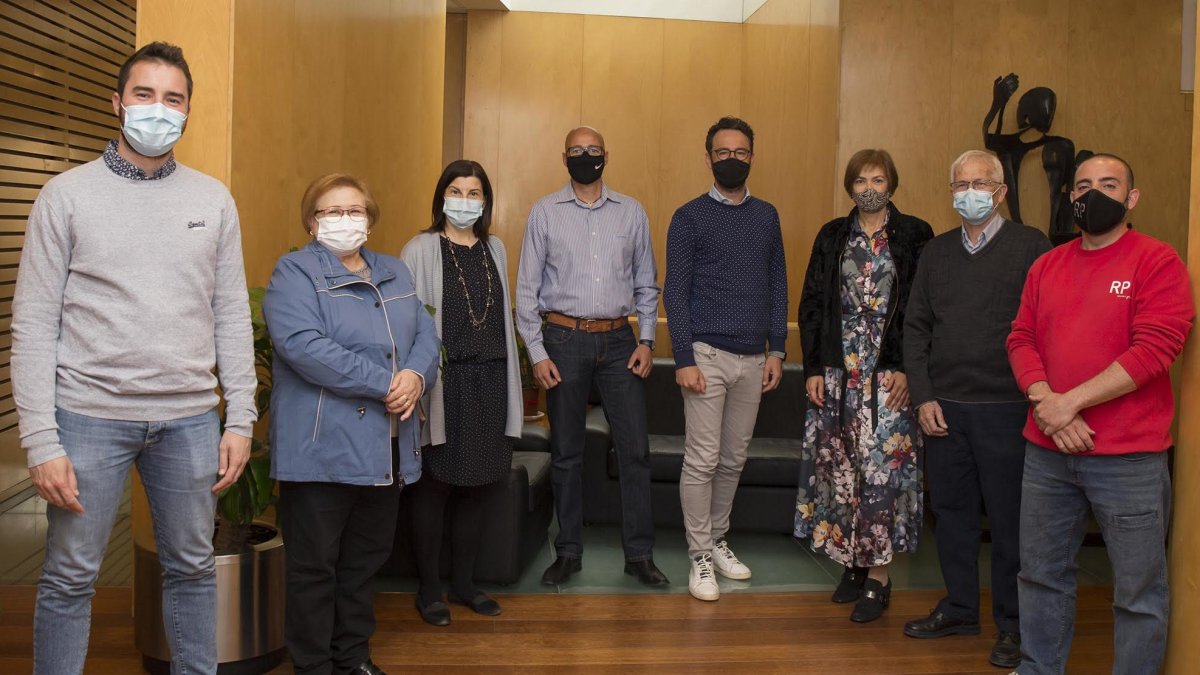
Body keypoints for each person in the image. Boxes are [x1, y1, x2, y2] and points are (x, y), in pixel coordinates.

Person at [11, 42, 256, 675]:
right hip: (88, 416)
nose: (157, 110)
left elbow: (230, 313)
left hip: (190, 420)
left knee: (193, 569)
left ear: (188, 111)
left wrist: (240, 419)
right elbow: (34, 323)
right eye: (144, 95)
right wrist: (41, 440)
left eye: (172, 99)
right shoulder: (64, 196)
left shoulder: (213, 199)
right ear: (117, 103)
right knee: (69, 576)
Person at [1006, 154, 1193, 675]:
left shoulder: (1157, 261)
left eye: (1109, 185)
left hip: (1129, 460)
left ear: (1131, 198)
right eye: (1083, 186)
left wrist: (1071, 402)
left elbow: (1155, 349)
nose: (1094, 194)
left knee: (1138, 593)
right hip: (1046, 453)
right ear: (1071, 199)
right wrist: (1050, 405)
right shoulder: (1048, 263)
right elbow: (1021, 338)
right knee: (1041, 576)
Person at [264, 174, 440, 675]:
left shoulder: (395, 271)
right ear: (311, 221)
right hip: (322, 450)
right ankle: (314, 666)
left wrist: (415, 375)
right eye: (331, 211)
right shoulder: (294, 272)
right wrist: (388, 382)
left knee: (364, 562)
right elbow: (303, 346)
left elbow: (427, 334)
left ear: (370, 216)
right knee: (314, 568)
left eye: (354, 209)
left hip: (386, 449)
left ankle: (353, 657)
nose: (345, 220)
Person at [902, 150, 1051, 669]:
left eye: (980, 183)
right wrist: (923, 397)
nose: (970, 192)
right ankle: (961, 608)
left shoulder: (1032, 247)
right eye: (960, 183)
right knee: (953, 517)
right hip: (944, 411)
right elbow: (916, 327)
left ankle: (1013, 626)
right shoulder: (936, 253)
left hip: (1008, 410)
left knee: (1011, 525)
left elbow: (1044, 327)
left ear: (1002, 190)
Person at [515, 126, 668, 587]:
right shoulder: (544, 212)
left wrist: (646, 341)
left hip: (622, 342)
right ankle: (568, 552)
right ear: (564, 157)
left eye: (594, 150)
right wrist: (537, 352)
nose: (586, 156)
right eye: (577, 151)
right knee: (566, 453)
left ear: (607, 155)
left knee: (636, 451)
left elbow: (647, 283)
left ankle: (639, 555)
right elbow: (526, 291)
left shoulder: (632, 213)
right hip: (563, 340)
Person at [794, 148, 933, 623]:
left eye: (878, 179)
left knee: (881, 473)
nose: (869, 187)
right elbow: (811, 303)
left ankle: (879, 577)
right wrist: (813, 367)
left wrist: (910, 368)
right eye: (860, 180)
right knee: (841, 470)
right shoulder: (833, 235)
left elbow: (923, 307)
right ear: (849, 186)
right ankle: (852, 565)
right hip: (837, 369)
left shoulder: (915, 235)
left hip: (890, 372)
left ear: (892, 183)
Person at [663, 116, 786, 602]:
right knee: (703, 458)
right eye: (722, 152)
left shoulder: (767, 215)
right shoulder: (688, 216)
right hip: (706, 356)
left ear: (752, 156)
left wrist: (777, 348)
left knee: (734, 459)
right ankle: (698, 553)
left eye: (740, 152)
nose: (731, 159)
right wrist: (685, 358)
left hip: (753, 357)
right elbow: (675, 290)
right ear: (709, 156)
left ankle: (717, 540)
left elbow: (778, 284)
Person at [401, 160, 522, 626]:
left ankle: (465, 584)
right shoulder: (420, 248)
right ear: (441, 197)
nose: (465, 201)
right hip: (443, 384)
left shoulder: (496, 248)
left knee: (477, 487)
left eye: (474, 193)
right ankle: (430, 589)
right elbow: (409, 325)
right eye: (456, 191)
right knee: (435, 487)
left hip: (490, 382)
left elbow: (501, 321)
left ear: (486, 201)